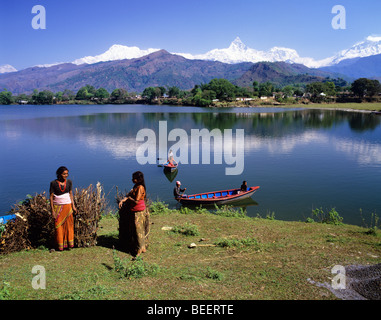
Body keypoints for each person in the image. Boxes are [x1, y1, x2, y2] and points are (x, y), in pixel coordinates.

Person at [118, 171, 150, 257]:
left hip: (138, 211)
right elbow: (130, 194)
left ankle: (139, 249)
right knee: (137, 229)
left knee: (138, 230)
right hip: (135, 210)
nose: (132, 180)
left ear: (138, 179)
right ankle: (142, 247)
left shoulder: (140, 187)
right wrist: (124, 200)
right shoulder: (136, 186)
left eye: (134, 178)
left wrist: (128, 198)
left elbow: (136, 201)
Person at [49, 166, 76, 251]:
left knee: (69, 226)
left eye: (67, 174)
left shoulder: (69, 182)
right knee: (58, 226)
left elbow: (71, 194)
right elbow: (51, 197)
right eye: (64, 174)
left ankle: (69, 244)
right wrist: (53, 210)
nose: (66, 175)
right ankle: (60, 245)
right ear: (59, 174)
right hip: (58, 208)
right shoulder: (53, 183)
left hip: (68, 207)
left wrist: (73, 206)